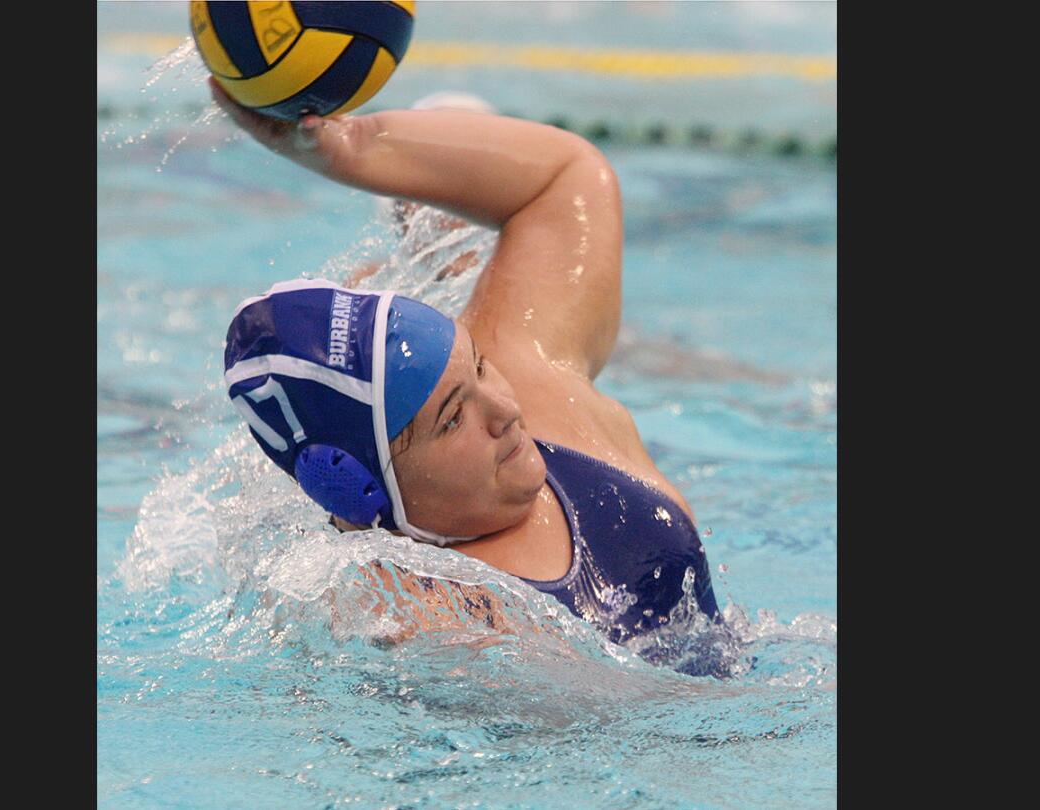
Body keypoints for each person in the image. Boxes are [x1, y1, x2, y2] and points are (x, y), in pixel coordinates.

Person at [213, 79, 720, 649]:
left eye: (478, 367)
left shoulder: (536, 385)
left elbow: (564, 177)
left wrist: (341, 146)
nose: (506, 409)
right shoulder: (422, 619)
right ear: (357, 492)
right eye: (453, 418)